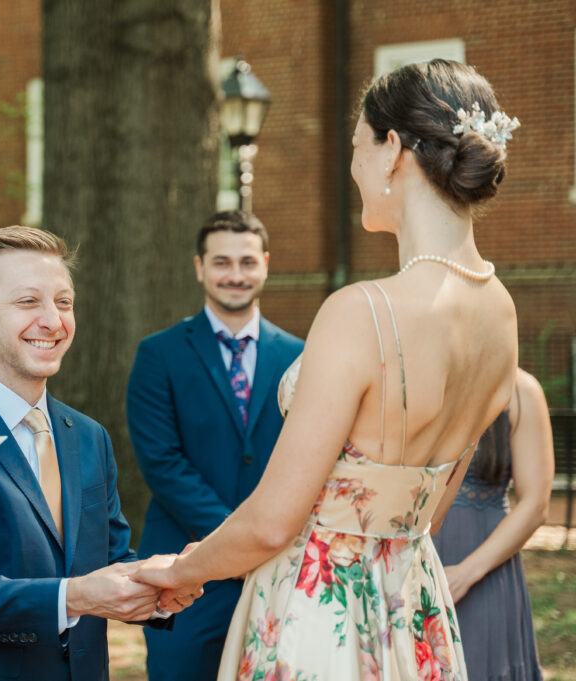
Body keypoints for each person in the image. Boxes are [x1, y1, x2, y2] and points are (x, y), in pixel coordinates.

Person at [134, 58, 520, 681]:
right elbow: (431, 509)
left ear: (392, 149)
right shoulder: (501, 311)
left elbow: (271, 522)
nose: (353, 166)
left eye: (356, 146)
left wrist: (176, 573)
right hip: (411, 607)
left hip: (321, 614)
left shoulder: (363, 310)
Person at [0, 226, 198, 681]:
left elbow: (112, 558)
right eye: (27, 302)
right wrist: (74, 596)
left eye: (63, 302)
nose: (53, 321)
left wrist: (158, 587)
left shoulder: (89, 436)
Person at [126, 210, 303, 681]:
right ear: (199, 267)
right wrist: (239, 540)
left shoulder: (302, 355)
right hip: (187, 572)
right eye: (222, 262)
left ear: (265, 264)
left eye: (247, 262)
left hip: (279, 568)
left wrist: (268, 538)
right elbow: (162, 463)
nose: (236, 275)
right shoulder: (158, 354)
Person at [432, 368, 553, 680]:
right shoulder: (423, 376)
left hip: (485, 569)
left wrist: (466, 573)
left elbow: (535, 504)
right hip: (417, 561)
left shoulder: (521, 390)